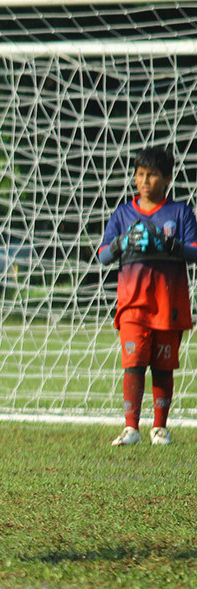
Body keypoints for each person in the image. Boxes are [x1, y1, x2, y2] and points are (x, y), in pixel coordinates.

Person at [97, 146, 197, 446]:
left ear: (167, 178)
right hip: (132, 303)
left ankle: (160, 428)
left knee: (163, 366)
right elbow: (102, 255)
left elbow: (194, 251)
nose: (144, 180)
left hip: (168, 302)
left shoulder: (180, 213)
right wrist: (121, 243)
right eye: (140, 174)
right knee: (134, 362)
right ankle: (131, 428)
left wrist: (170, 245)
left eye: (151, 175)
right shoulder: (123, 214)